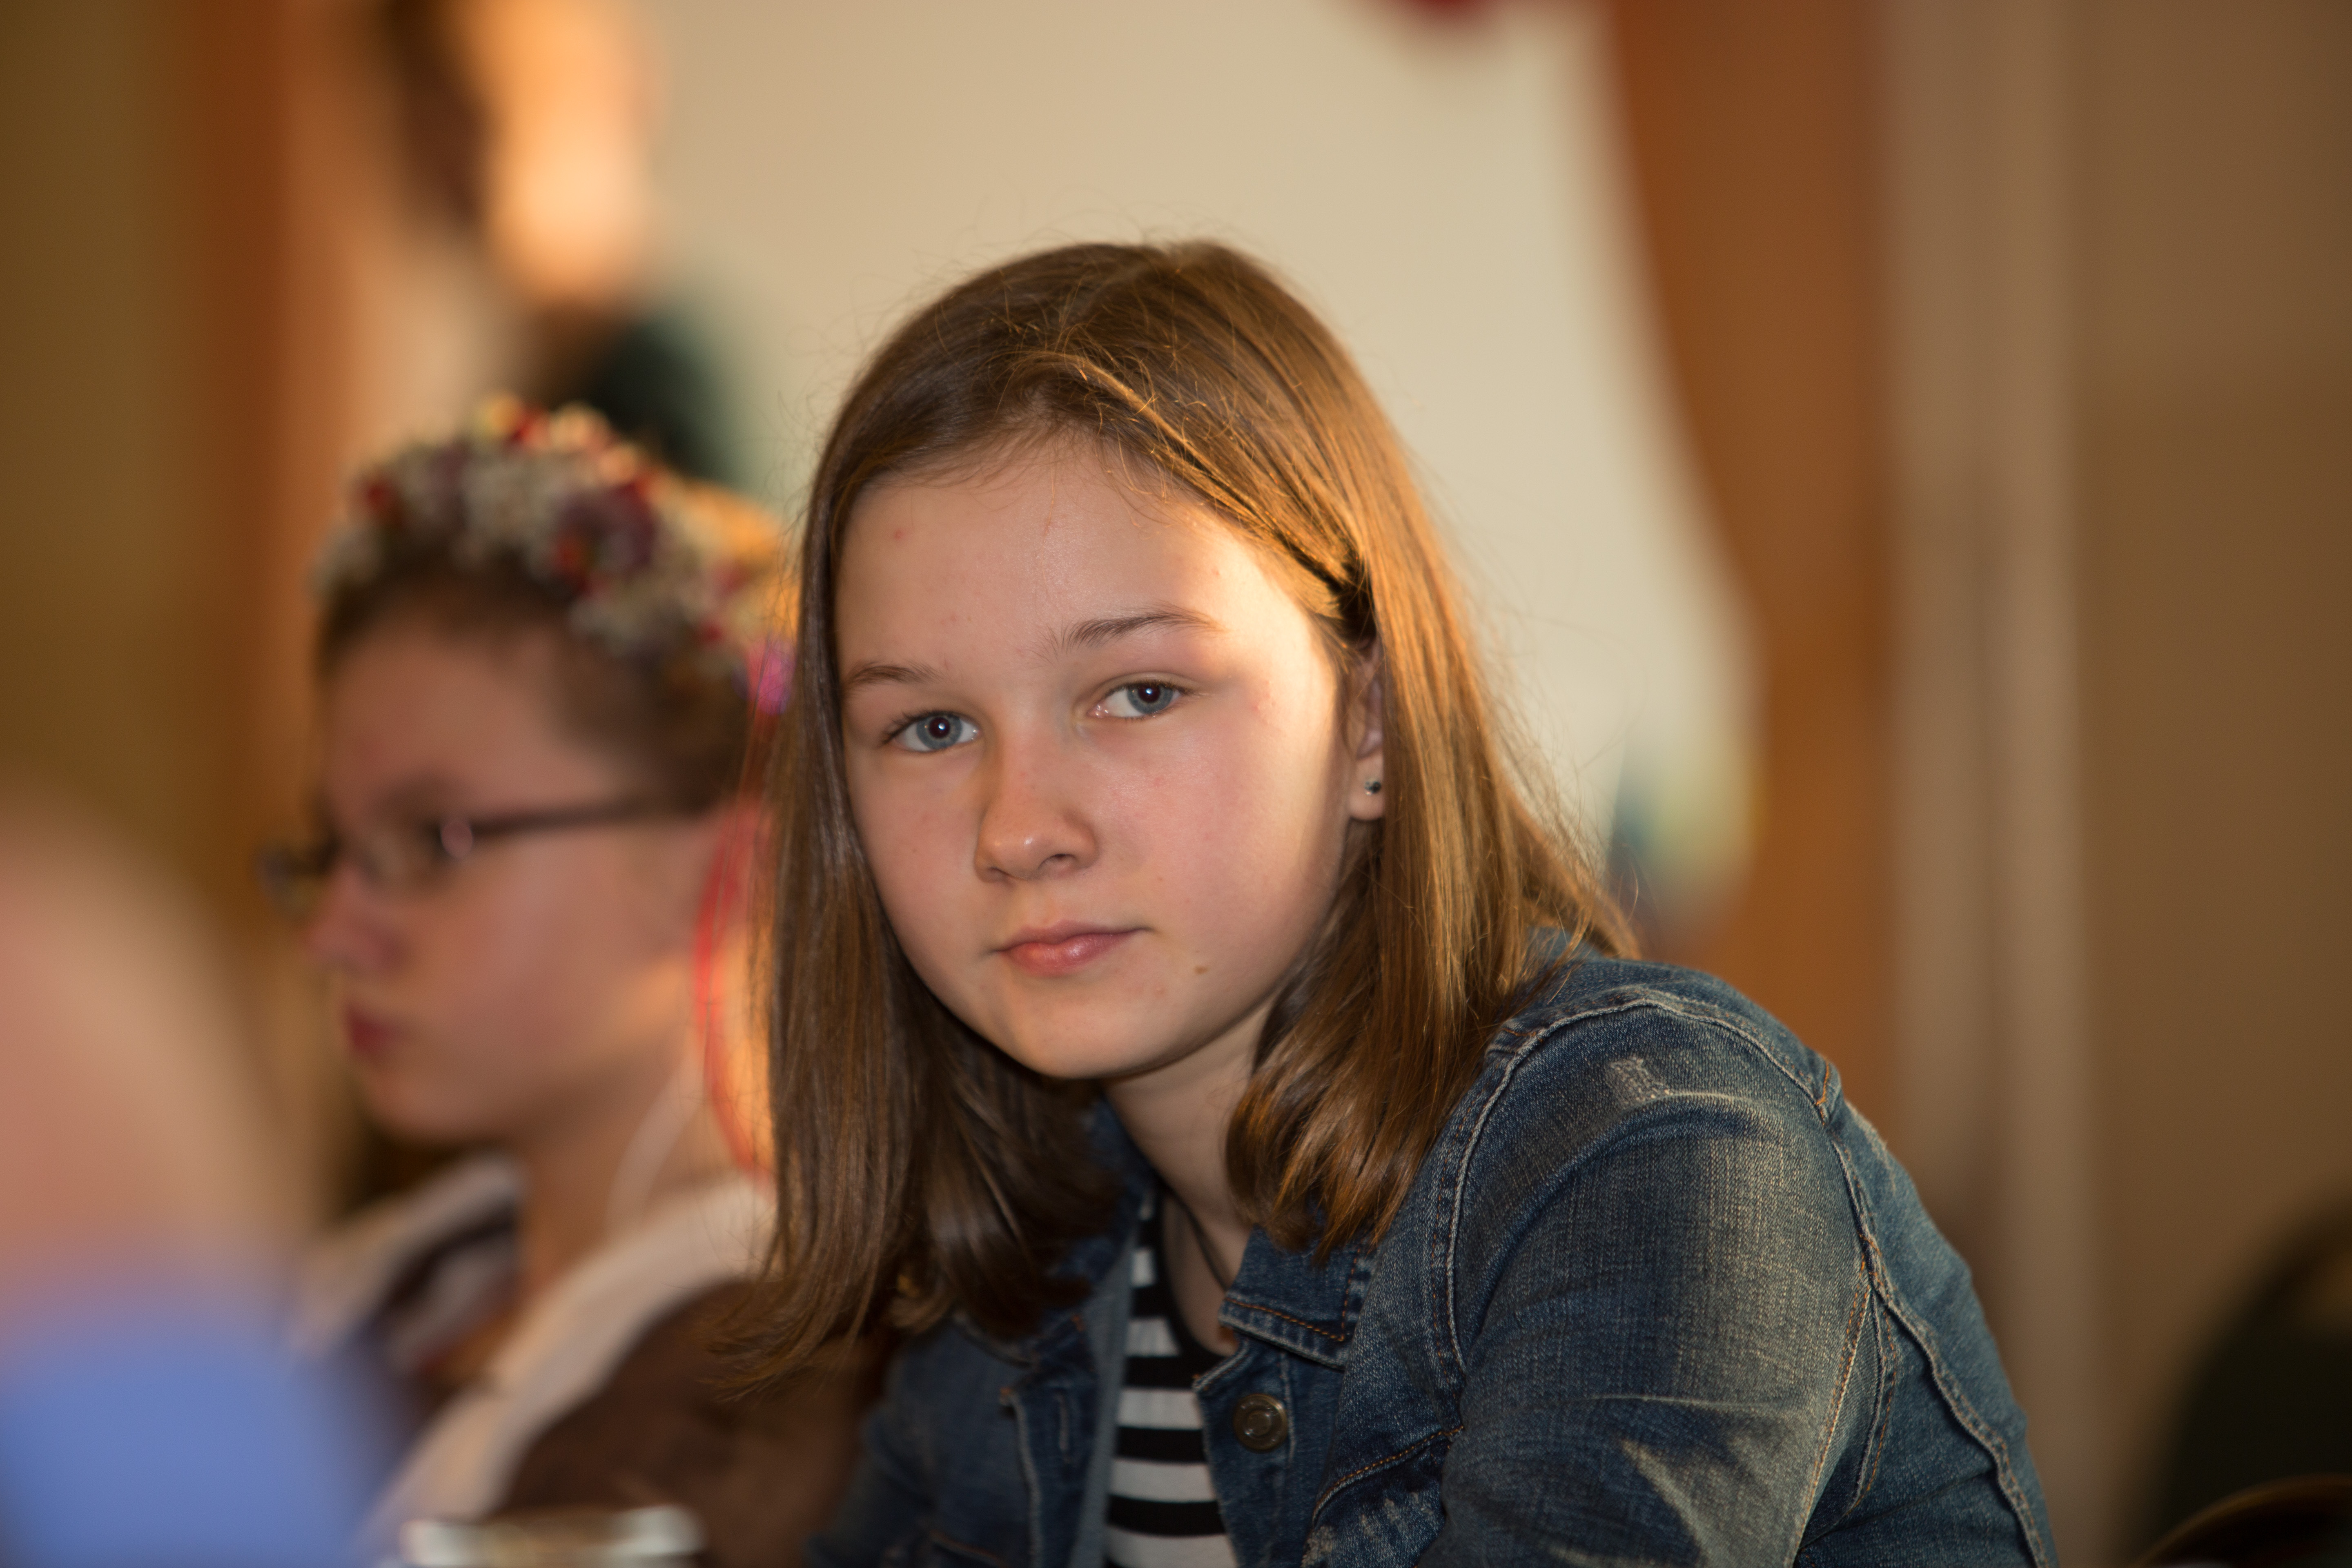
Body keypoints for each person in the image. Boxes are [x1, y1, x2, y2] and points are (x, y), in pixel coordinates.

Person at [745, 242, 2056, 1567]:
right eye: (929, 727)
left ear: (1367, 718)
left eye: (1139, 693)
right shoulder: (1020, 1260)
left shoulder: (1650, 1153)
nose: (1020, 830)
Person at [266, 400, 866, 1566]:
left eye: (435, 839)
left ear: (726, 870)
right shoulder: (409, 1279)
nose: (332, 935)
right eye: (331, 849)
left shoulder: (758, 1388)